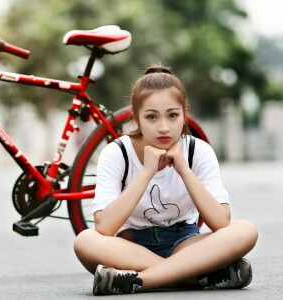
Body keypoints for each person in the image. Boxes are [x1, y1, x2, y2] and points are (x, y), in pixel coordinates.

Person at [73, 65, 258, 295]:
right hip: (130, 248)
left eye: (173, 115)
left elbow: (221, 223)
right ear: (136, 117)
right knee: (85, 241)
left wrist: (184, 171)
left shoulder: (197, 151)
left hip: (184, 244)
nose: (164, 127)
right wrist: (146, 173)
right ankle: (193, 276)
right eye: (151, 117)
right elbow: (105, 227)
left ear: (184, 114)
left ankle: (138, 281)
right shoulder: (117, 152)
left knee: (245, 231)